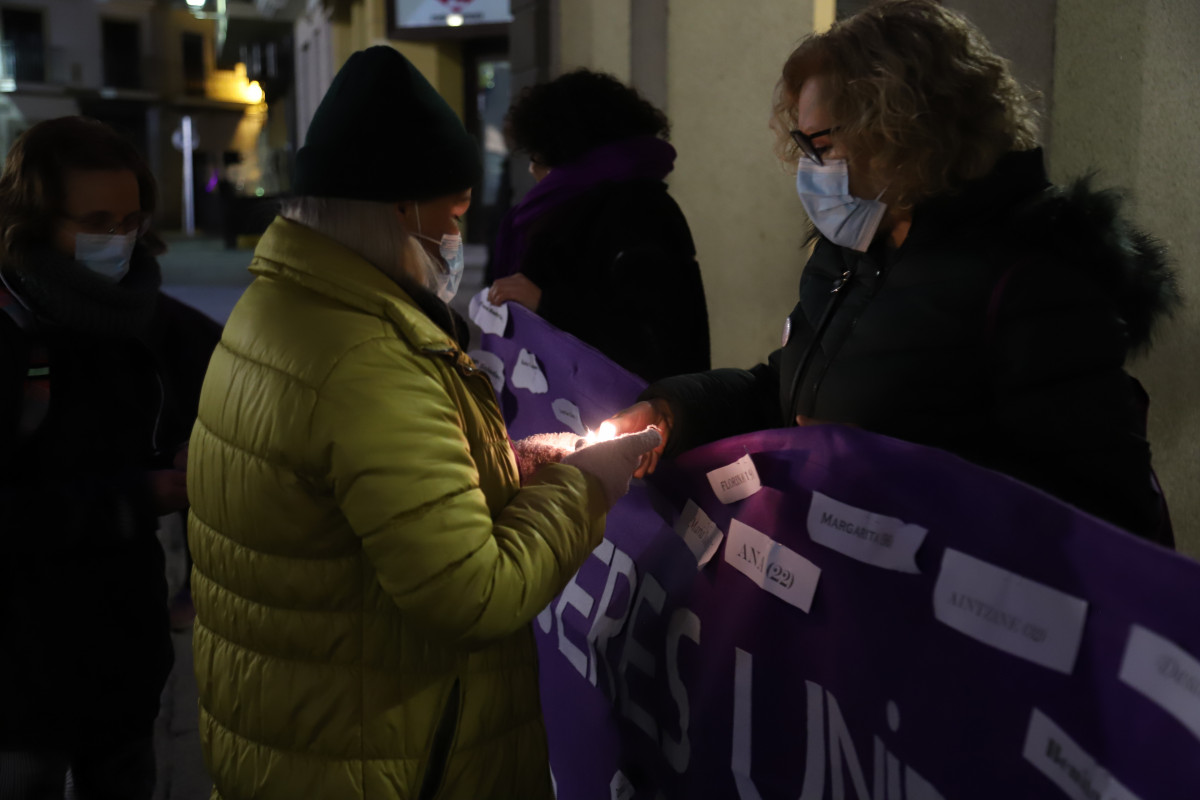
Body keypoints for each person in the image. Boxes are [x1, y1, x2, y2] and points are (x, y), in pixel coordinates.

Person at [186, 47, 660, 800]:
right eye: (455, 212)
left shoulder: (283, 308)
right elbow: (473, 593)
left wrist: (514, 466)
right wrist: (586, 485)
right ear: (398, 209)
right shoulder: (364, 358)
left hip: (304, 737)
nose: (456, 236)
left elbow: (371, 501)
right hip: (390, 760)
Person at [607, 0, 1177, 546]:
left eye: (824, 143)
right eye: (802, 144)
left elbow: (1102, 506)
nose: (810, 168)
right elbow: (785, 399)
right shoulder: (855, 247)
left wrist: (893, 470)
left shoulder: (1037, 275)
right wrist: (672, 411)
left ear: (909, 128)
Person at [0, 117, 190, 798]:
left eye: (133, 217)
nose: (120, 238)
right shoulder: (13, 324)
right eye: (97, 219)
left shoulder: (140, 310)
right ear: (35, 219)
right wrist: (142, 495)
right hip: (20, 673)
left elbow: (239, 368)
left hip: (125, 655)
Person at [487, 69, 711, 383]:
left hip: (624, 417)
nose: (532, 168)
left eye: (539, 156)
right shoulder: (572, 207)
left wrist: (546, 304)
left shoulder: (636, 211)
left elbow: (660, 338)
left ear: (566, 151)